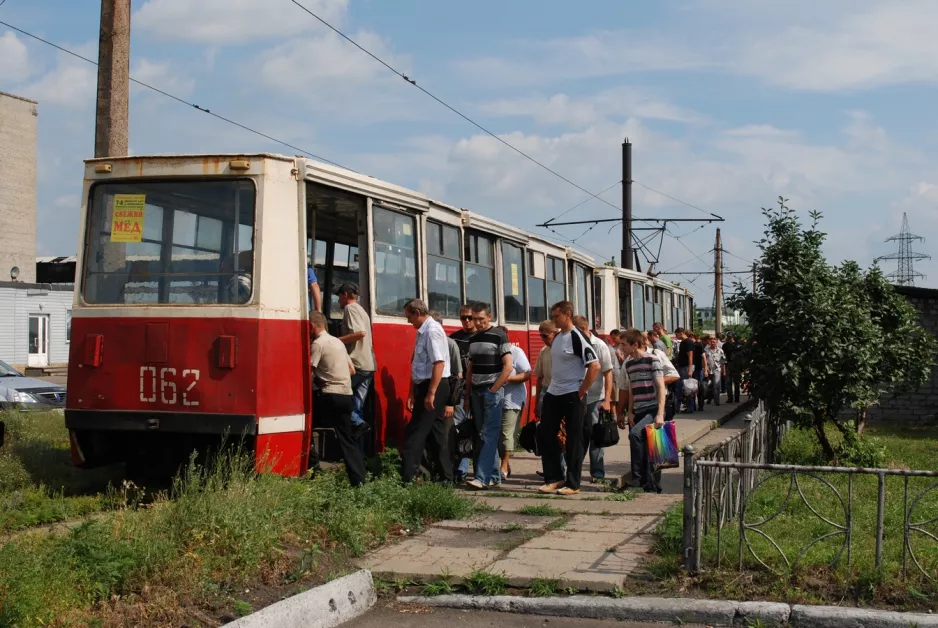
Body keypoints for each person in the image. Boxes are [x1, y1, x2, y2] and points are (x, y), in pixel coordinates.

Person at [537, 301, 600, 496]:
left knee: (574, 439)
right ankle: (554, 478)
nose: (553, 319)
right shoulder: (557, 338)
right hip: (554, 392)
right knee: (546, 434)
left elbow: (595, 365)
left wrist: (581, 391)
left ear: (568, 315)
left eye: (556, 316)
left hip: (573, 393)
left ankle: (573, 483)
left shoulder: (577, 337)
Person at [309, 311, 366, 487]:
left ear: (312, 326)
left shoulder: (318, 344)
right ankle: (359, 480)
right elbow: (352, 370)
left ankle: (313, 468)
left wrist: (320, 379)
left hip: (329, 395)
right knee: (346, 439)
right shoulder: (338, 342)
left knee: (306, 427)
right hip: (346, 396)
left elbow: (308, 371)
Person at [401, 299, 452, 484]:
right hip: (429, 385)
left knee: (414, 434)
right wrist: (413, 392)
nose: (408, 321)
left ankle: (409, 478)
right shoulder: (424, 331)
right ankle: (446, 477)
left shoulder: (431, 331)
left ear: (416, 312)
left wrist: (431, 393)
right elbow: (417, 365)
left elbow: (438, 363)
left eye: (409, 317)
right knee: (436, 434)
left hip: (434, 386)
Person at [464, 303, 513, 490]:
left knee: (488, 433)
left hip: (491, 390)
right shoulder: (474, 338)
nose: (476, 323)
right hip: (476, 390)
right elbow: (470, 367)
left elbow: (508, 366)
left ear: (489, 317)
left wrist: (494, 390)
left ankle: (482, 478)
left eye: (481, 319)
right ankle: (493, 476)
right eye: (474, 319)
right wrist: (467, 395)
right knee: (482, 434)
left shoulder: (499, 335)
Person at [616, 327, 667, 493]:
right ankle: (650, 484)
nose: (621, 348)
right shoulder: (629, 364)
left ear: (635, 344)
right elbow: (631, 389)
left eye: (624, 344)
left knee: (635, 434)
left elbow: (660, 387)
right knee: (646, 447)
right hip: (638, 409)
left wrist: (660, 413)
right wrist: (629, 411)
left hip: (651, 409)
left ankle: (637, 478)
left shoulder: (653, 360)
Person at [573, 316, 614, 483]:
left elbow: (608, 372)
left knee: (595, 436)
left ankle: (597, 472)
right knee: (577, 435)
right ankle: (574, 470)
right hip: (577, 397)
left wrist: (608, 399)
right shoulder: (573, 344)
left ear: (583, 329)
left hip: (595, 398)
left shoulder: (599, 345)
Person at [335, 282, 375, 440]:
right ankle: (359, 446)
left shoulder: (350, 309)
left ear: (345, 295)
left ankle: (358, 424)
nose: (338, 301)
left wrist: (337, 341)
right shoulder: (361, 310)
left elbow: (360, 333)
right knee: (357, 407)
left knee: (337, 397)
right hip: (368, 365)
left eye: (338, 296)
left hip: (356, 364)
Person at [498, 328, 531, 481]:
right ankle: (504, 462)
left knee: (506, 433)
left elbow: (528, 373)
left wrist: (507, 379)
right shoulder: (492, 353)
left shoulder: (516, 352)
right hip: (493, 399)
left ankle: (504, 464)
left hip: (512, 399)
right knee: (496, 435)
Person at [450, 304, 476, 482]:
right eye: (463, 318)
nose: (466, 321)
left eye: (469, 317)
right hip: (460, 389)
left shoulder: (482, 337)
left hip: (479, 389)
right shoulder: (455, 338)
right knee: (460, 428)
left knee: (482, 429)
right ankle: (461, 469)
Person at [674, 328, 696, 412]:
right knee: (681, 387)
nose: (676, 336)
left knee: (688, 388)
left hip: (686, 367)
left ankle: (690, 407)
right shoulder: (683, 342)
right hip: (682, 367)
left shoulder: (688, 342)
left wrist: (690, 370)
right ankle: (682, 407)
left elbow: (690, 356)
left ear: (681, 333)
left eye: (677, 334)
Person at [704, 336, 726, 406]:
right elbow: (704, 360)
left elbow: (723, 362)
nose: (712, 343)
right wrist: (705, 368)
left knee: (716, 385)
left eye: (714, 342)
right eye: (711, 342)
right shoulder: (706, 350)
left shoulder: (720, 351)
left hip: (717, 370)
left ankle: (717, 400)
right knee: (708, 385)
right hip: (708, 369)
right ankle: (709, 398)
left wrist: (724, 371)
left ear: (716, 343)